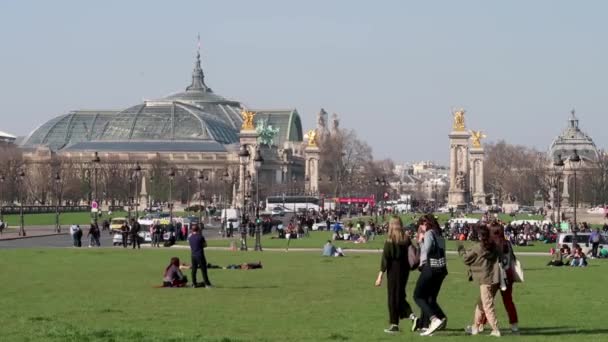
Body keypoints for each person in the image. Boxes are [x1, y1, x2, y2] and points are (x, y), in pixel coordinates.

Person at [375, 216, 416, 334]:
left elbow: (385, 260)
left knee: (393, 298)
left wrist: (380, 276)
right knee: (400, 296)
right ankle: (409, 318)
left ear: (391, 225)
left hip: (394, 270)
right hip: (405, 270)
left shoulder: (390, 240)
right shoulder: (406, 239)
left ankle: (395, 324)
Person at [461, 225, 501, 337]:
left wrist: (461, 250)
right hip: (494, 279)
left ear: (479, 236)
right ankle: (475, 327)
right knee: (480, 304)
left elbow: (466, 259)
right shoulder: (493, 246)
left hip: (485, 280)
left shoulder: (478, 247)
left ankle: (495, 329)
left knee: (487, 305)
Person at [413, 214, 448, 336]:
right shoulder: (439, 235)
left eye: (422, 223)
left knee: (418, 296)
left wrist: (421, 241)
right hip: (441, 269)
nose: (421, 226)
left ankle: (434, 319)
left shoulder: (429, 234)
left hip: (430, 268)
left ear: (427, 224)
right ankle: (439, 319)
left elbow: (426, 250)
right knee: (430, 298)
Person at [481, 224, 519, 334]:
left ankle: (481, 324)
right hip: (508, 274)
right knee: (508, 301)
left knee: (487, 301)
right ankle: (514, 325)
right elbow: (512, 258)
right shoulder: (507, 243)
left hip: (495, 275)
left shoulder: (492, 244)